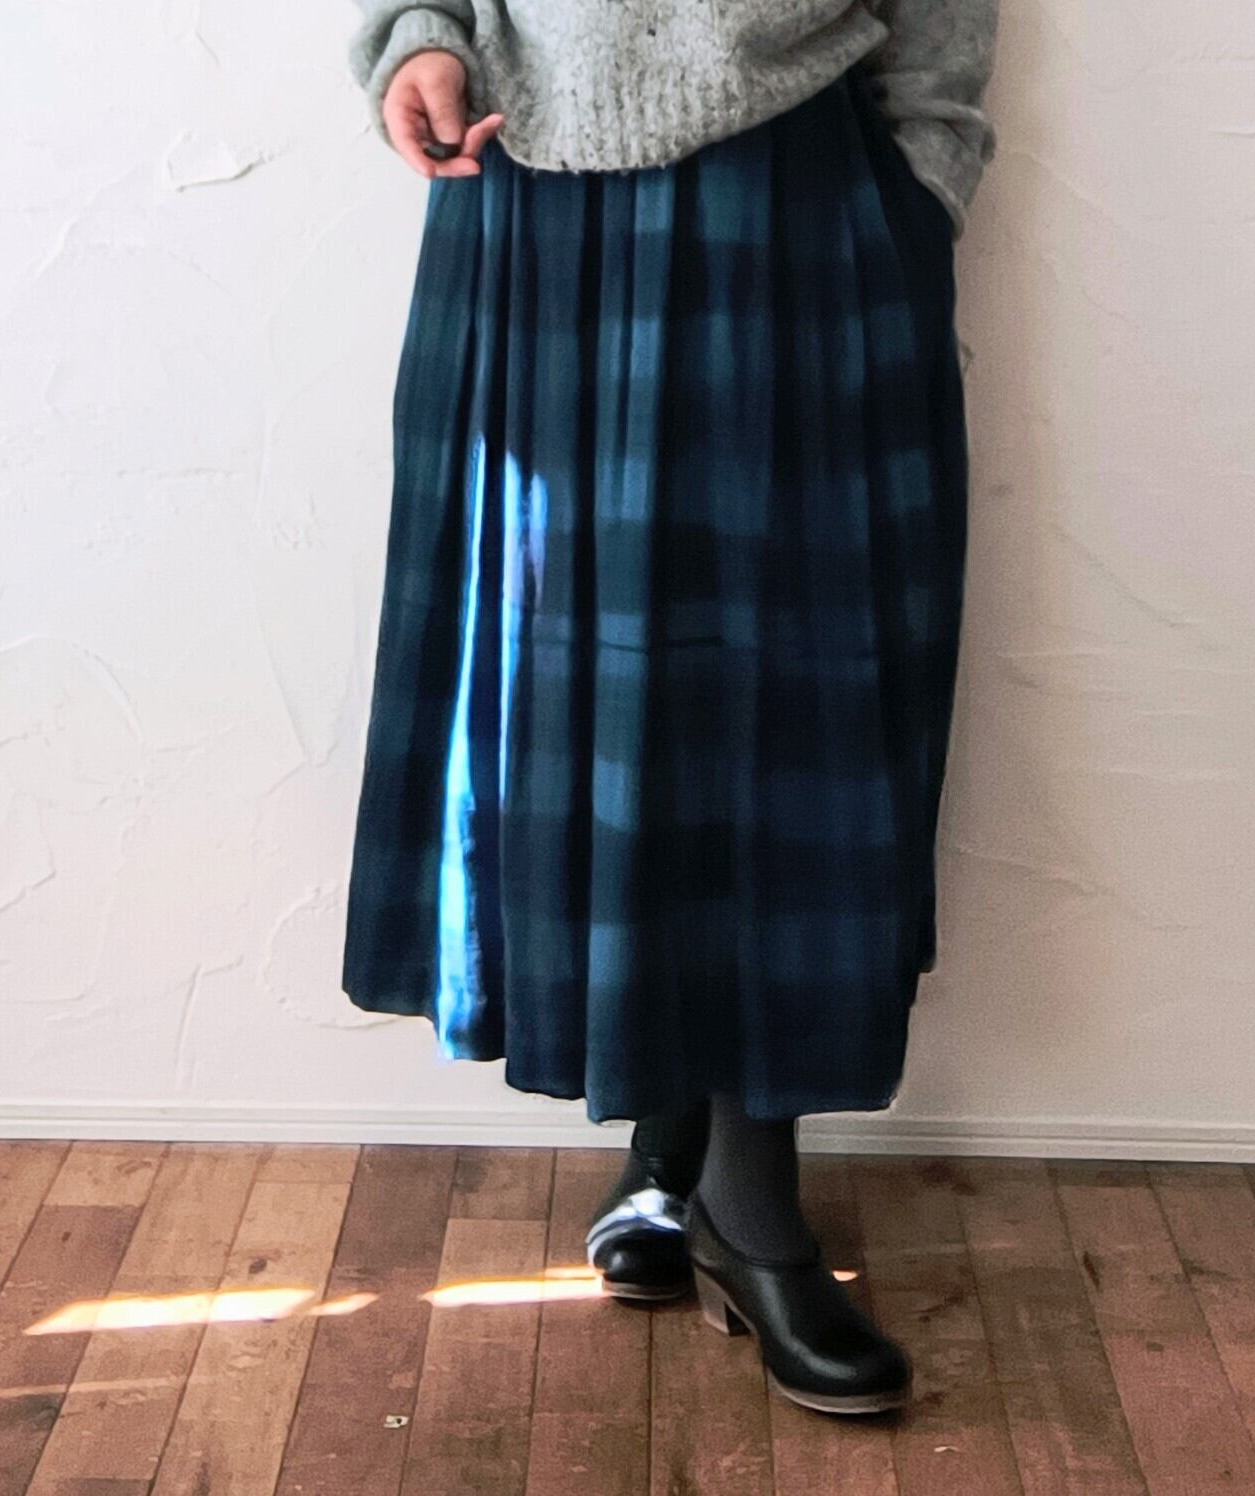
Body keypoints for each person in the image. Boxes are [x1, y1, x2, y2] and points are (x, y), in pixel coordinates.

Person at [341, 0, 997, 1417]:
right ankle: (664, 1143)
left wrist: (921, 180)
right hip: (534, 205)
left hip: (797, 201)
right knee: (584, 695)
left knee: (789, 698)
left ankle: (749, 1210)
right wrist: (420, 37)